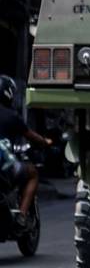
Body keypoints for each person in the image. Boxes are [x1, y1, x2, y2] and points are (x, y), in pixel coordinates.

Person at [0, 76, 52, 229]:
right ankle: (22, 215)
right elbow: (31, 136)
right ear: (8, 93)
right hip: (4, 166)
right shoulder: (11, 116)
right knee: (33, 173)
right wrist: (45, 142)